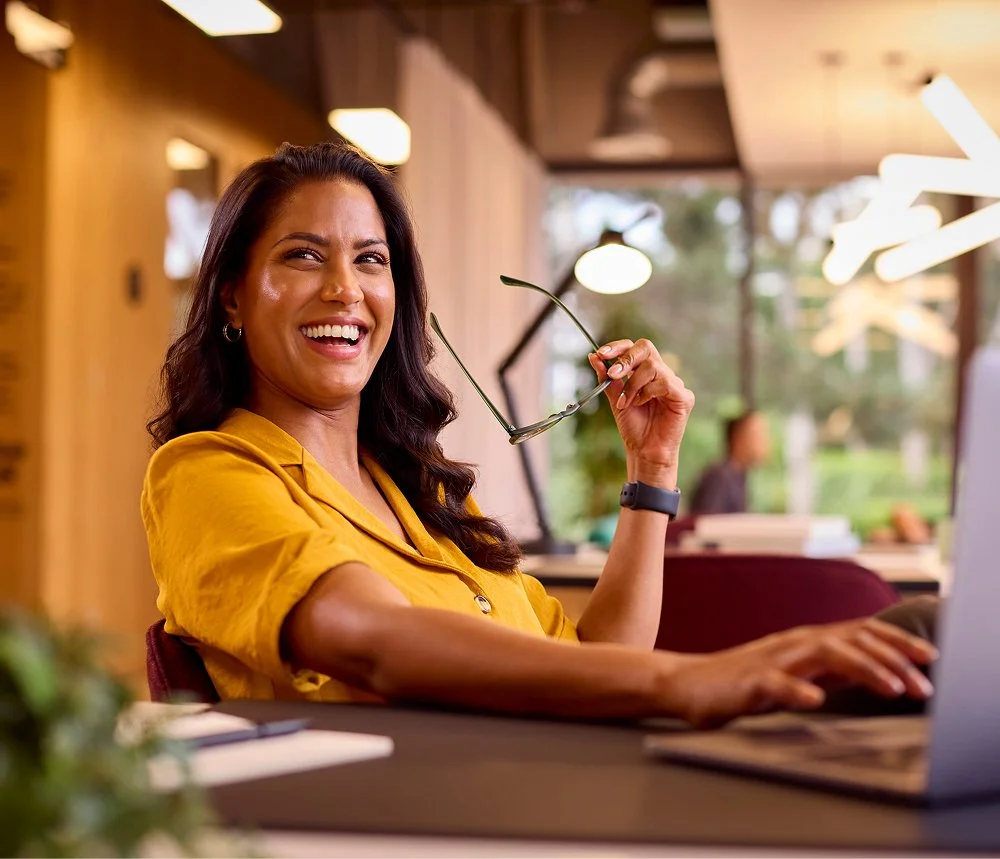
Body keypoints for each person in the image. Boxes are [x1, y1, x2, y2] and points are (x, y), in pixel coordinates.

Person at [142, 142, 935, 728]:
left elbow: (595, 663)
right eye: (303, 255)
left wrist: (650, 469)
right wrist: (685, 680)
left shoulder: (413, 495)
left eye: (372, 260)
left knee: (920, 646)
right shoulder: (208, 474)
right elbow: (375, 640)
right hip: (428, 819)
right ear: (234, 298)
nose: (346, 289)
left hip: (549, 778)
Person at [689, 410, 771, 515]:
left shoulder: (739, 475)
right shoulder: (719, 478)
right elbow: (708, 525)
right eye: (758, 435)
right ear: (737, 438)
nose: (765, 441)